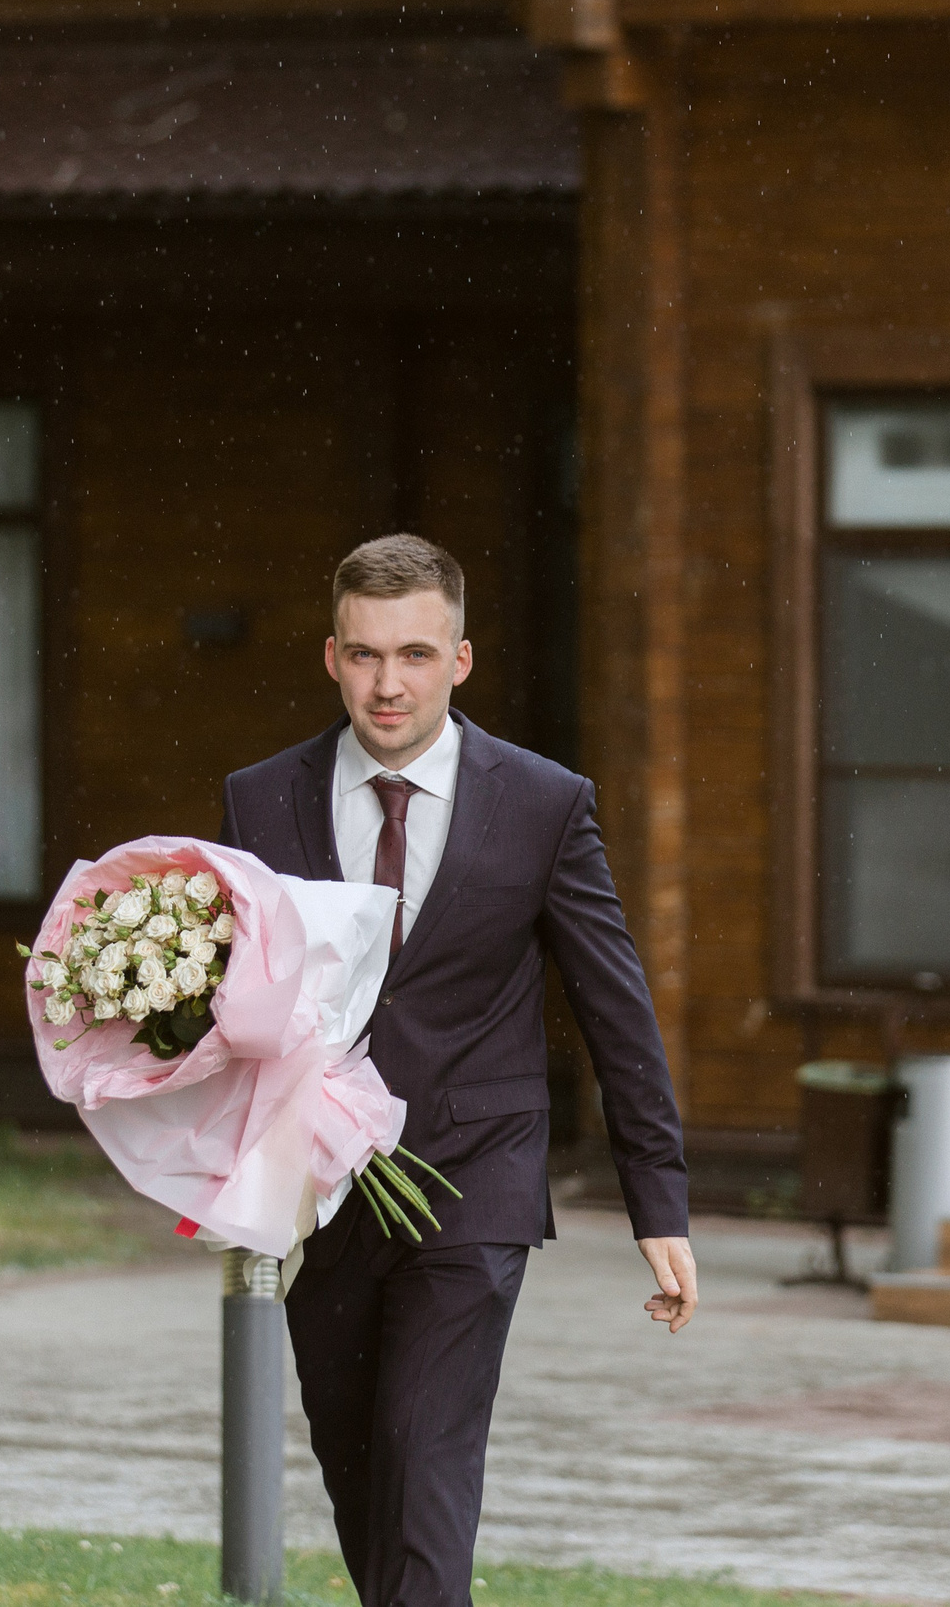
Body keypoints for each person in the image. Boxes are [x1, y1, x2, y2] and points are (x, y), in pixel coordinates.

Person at [216, 533, 695, 1607]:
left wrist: (655, 1200)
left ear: (461, 660)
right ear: (329, 656)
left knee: (426, 1459)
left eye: (416, 655)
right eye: (365, 654)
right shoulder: (258, 800)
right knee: (360, 1467)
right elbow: (231, 998)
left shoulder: (541, 801)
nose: (389, 683)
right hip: (321, 1190)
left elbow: (613, 1007)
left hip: (475, 1176)